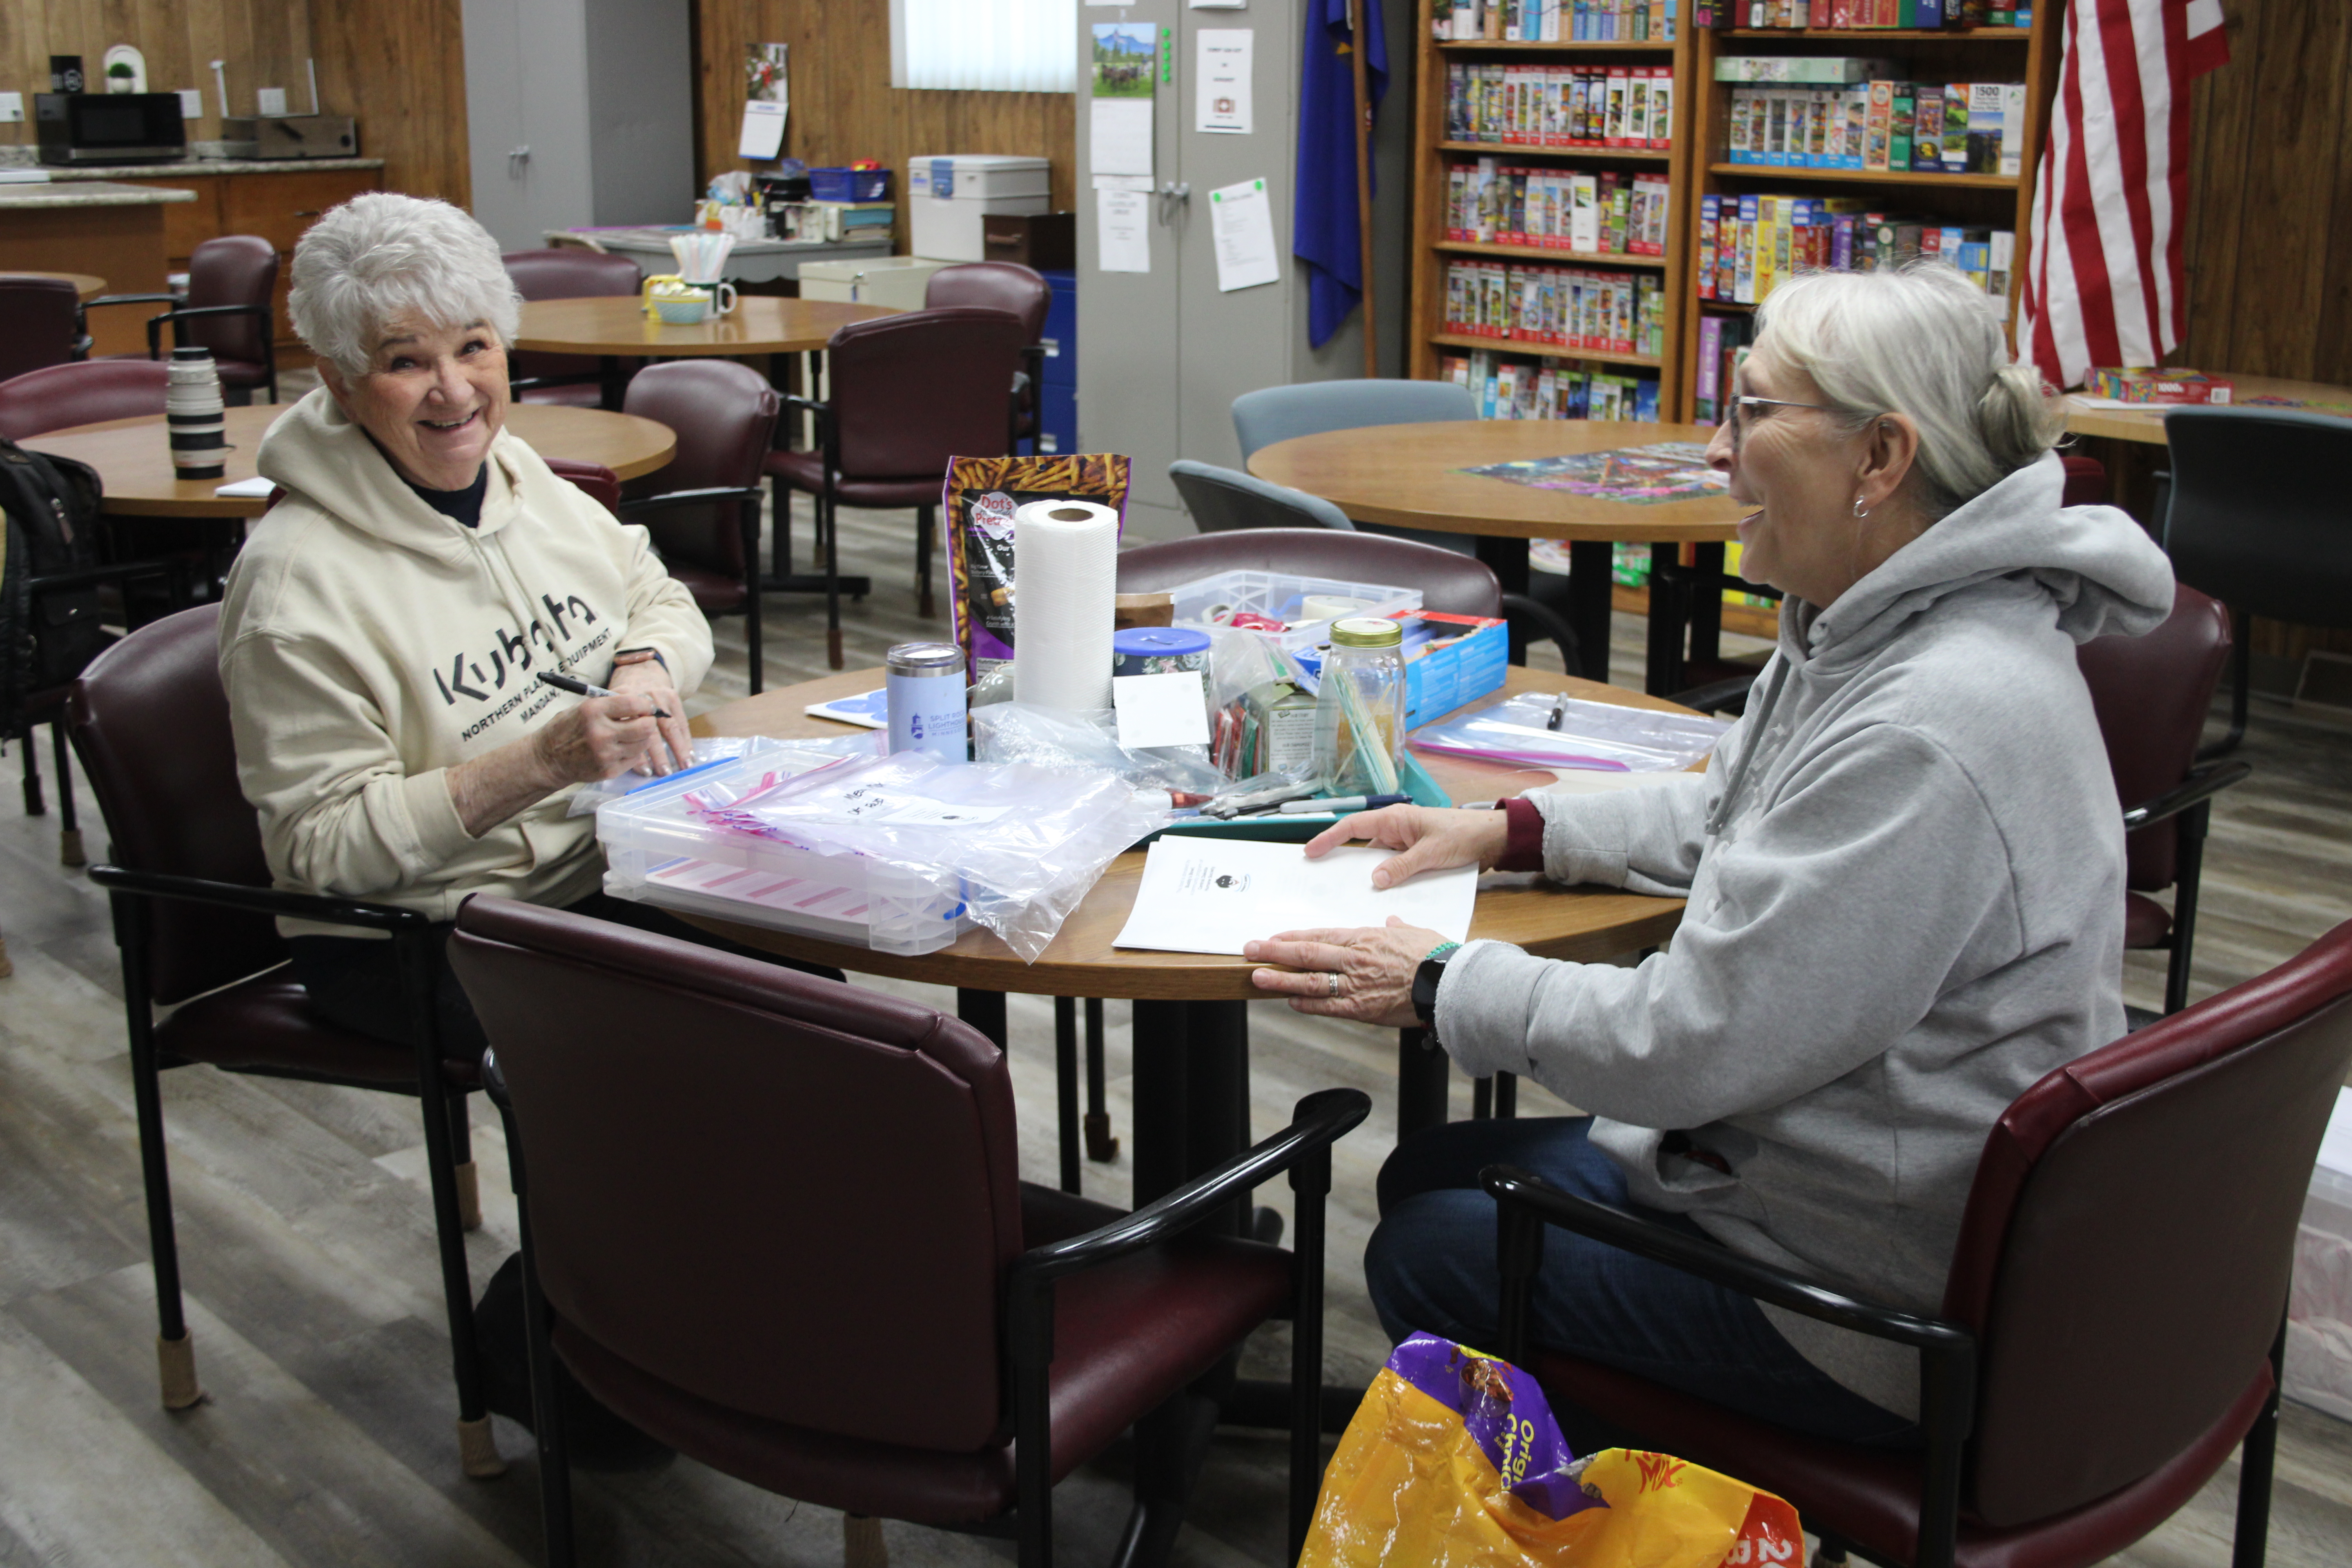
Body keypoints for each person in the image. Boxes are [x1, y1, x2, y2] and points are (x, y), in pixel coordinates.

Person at [1246, 263, 2175, 1445]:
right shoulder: (1883, 622)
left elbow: (1694, 1043)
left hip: (1877, 1297)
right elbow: (1730, 804)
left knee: (1436, 1251)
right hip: (1834, 1174)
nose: (1719, 457)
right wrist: (1510, 828)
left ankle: (1641, 1510)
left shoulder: (1929, 723)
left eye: (1751, 414)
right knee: (1435, 1176)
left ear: (1880, 460)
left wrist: (1437, 980)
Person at [220, 192, 822, 1055]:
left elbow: (658, 597)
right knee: (732, 1051)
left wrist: (644, 668)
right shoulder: (293, 591)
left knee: (820, 1002)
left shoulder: (517, 471)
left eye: (474, 346)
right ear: (341, 382)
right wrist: (539, 761)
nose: (454, 390)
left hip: (599, 867)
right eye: (406, 361)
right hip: (425, 935)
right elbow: (326, 846)